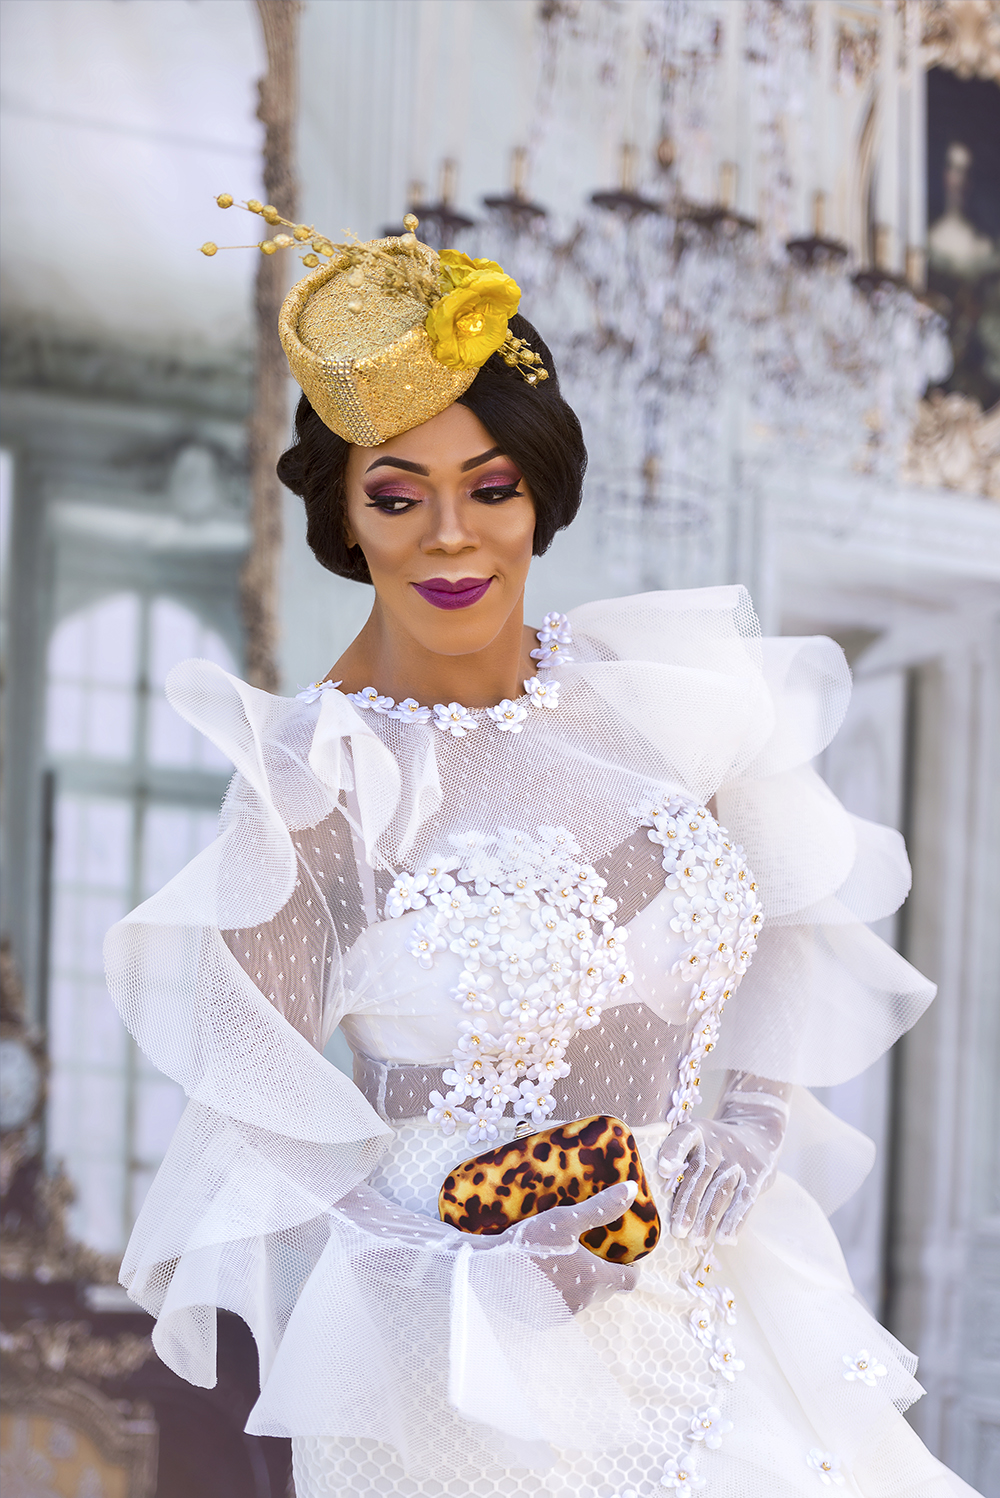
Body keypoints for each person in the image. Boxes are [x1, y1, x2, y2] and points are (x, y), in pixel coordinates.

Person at [106, 219, 979, 1497]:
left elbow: (792, 901)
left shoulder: (660, 690)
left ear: (539, 494)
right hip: (458, 1345)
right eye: (397, 495)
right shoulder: (317, 784)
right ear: (344, 513)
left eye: (491, 487)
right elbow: (255, 1120)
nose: (449, 536)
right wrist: (455, 1261)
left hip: (706, 1286)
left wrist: (750, 1114)